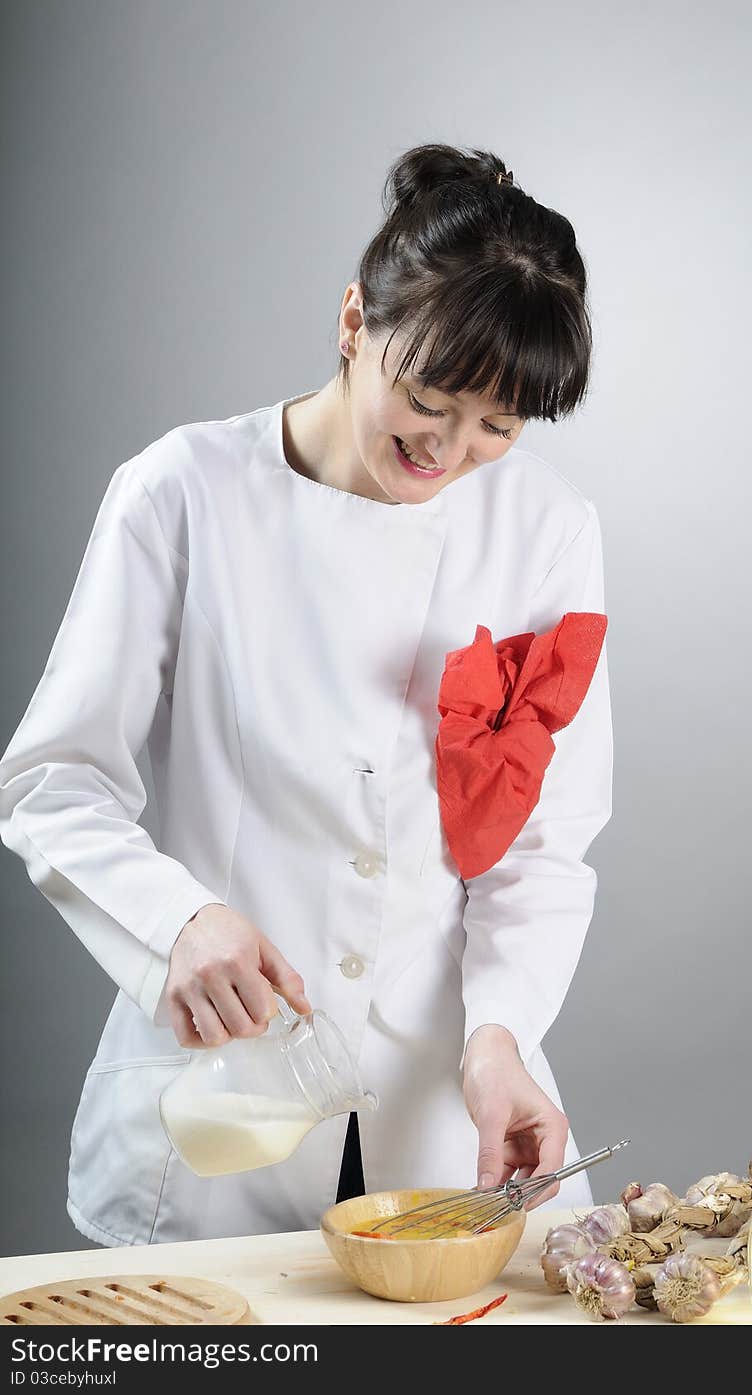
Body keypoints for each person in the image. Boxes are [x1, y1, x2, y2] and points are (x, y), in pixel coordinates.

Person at [0, 142, 613, 1247]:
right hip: (217, 1102)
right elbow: (52, 783)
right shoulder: (180, 493)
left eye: (498, 426)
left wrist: (500, 1035)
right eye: (427, 398)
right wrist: (176, 921)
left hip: (443, 1108)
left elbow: (539, 845)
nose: (450, 448)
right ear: (351, 321)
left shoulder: (547, 531)